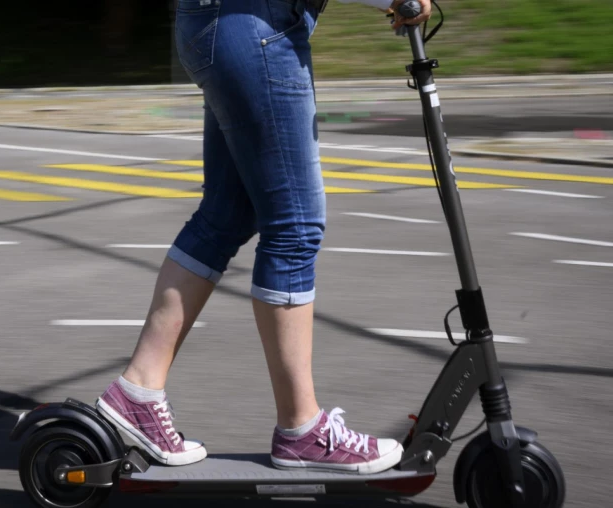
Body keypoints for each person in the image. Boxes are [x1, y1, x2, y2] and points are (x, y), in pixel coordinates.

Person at [95, 0, 431, 473]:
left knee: (226, 215)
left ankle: (138, 392)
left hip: (226, 23)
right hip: (253, 25)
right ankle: (302, 430)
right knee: (294, 227)